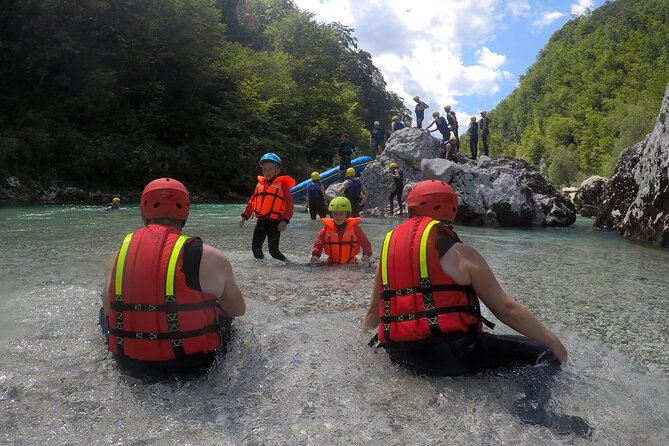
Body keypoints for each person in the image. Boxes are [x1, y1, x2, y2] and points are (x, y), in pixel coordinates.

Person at [362, 179, 590, 436]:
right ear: (450, 209)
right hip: (450, 356)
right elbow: (506, 310)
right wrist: (553, 341)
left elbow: (373, 313)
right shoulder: (460, 252)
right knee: (543, 354)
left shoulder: (389, 252)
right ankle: (534, 409)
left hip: (400, 356)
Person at [99, 178, 246, 378]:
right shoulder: (209, 256)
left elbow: (109, 309)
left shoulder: (118, 255)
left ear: (143, 211)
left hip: (130, 364)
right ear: (185, 213)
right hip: (194, 366)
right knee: (224, 312)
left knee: (103, 311)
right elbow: (237, 309)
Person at [239, 153, 296, 261]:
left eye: (270, 169)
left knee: (273, 251)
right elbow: (252, 201)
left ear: (277, 170)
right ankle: (264, 270)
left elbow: (289, 204)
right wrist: (245, 216)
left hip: (275, 223)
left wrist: (285, 220)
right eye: (265, 169)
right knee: (256, 250)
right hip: (261, 221)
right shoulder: (259, 185)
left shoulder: (282, 185)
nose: (267, 172)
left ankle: (288, 265)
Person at [310, 197, 373, 265]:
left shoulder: (356, 229)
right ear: (331, 215)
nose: (338, 217)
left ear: (347, 214)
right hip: (331, 263)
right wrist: (315, 255)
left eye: (341, 214)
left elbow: (365, 243)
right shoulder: (325, 230)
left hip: (351, 264)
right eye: (335, 214)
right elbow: (318, 245)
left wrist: (366, 254)